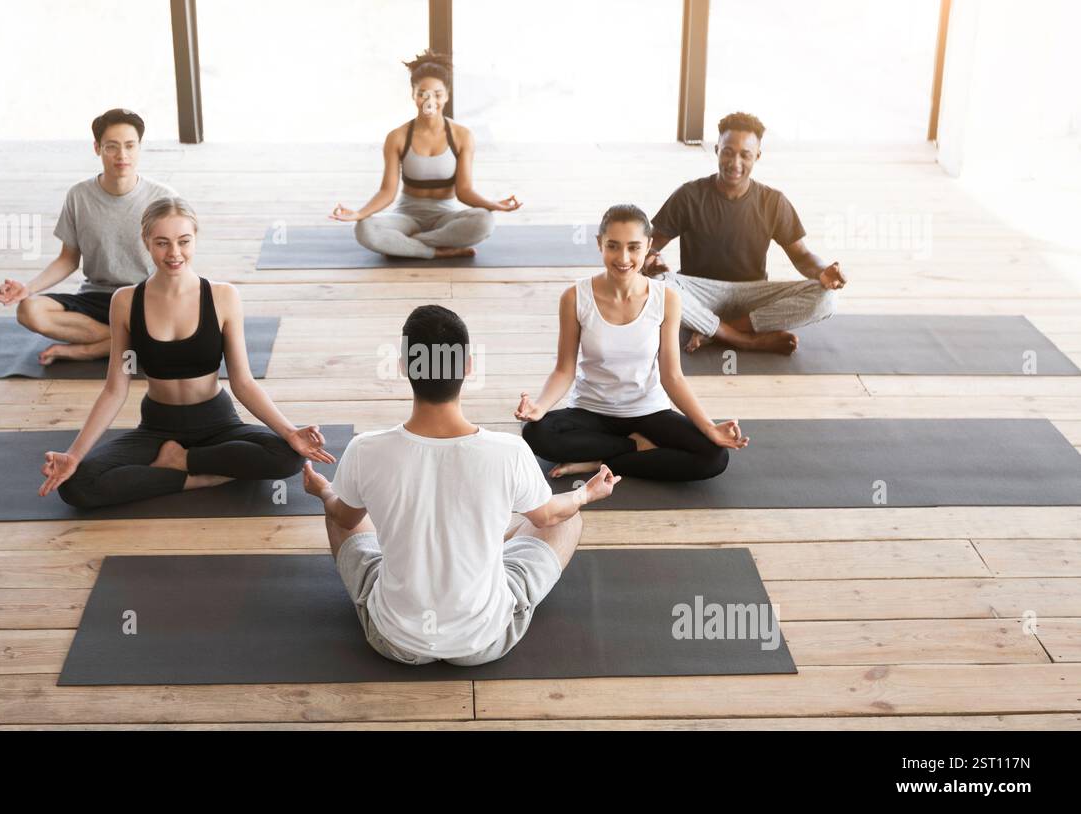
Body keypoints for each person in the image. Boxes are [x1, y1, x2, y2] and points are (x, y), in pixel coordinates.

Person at [302, 305, 620, 665]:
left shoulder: (365, 449)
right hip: (484, 641)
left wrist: (323, 490)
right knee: (567, 516)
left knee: (337, 507)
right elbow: (547, 517)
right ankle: (477, 541)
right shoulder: (510, 451)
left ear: (404, 366)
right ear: (468, 366)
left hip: (395, 641)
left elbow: (344, 519)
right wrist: (585, 493)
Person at [38, 197, 333, 508]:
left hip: (217, 422)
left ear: (195, 238)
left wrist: (289, 432)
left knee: (288, 457)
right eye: (162, 243)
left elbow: (243, 382)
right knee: (77, 485)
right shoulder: (125, 302)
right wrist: (73, 455)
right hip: (156, 427)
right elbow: (115, 389)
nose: (174, 253)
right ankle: (197, 476)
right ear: (146, 241)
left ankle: (183, 461)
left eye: (183, 241)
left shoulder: (222, 297)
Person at [519, 204, 749, 480]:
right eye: (613, 246)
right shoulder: (574, 297)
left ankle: (601, 460)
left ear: (649, 246)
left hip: (648, 411)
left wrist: (709, 428)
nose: (623, 257)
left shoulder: (666, 299)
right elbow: (564, 370)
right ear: (599, 244)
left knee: (714, 457)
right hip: (592, 411)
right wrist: (540, 406)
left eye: (634, 247)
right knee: (536, 434)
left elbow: (673, 377)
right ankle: (636, 447)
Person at [648, 111, 847, 355]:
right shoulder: (689, 195)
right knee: (653, 284)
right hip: (699, 293)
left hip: (751, 296)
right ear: (717, 150)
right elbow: (650, 246)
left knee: (827, 299)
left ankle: (720, 330)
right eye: (728, 152)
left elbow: (802, 256)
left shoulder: (773, 201)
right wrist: (652, 261)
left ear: (757, 157)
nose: (735, 162)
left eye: (745, 155)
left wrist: (823, 272)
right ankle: (746, 340)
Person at [0, 108, 176, 364]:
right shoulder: (79, 196)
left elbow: (177, 260)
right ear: (97, 148)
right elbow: (68, 259)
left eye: (130, 146)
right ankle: (131, 342)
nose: (122, 155)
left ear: (139, 147)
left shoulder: (164, 198)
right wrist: (27, 289)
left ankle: (89, 349)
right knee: (29, 311)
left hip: (145, 298)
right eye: (112, 147)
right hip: (97, 297)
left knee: (176, 322)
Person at [328, 50, 521, 260]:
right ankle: (436, 251)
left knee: (484, 221)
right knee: (364, 229)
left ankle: (407, 244)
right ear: (414, 95)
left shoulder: (462, 136)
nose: (431, 100)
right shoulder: (397, 137)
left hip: (446, 217)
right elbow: (387, 192)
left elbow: (464, 191)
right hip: (406, 216)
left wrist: (494, 205)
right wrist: (359, 214)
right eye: (423, 93)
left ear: (446, 96)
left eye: (437, 94)